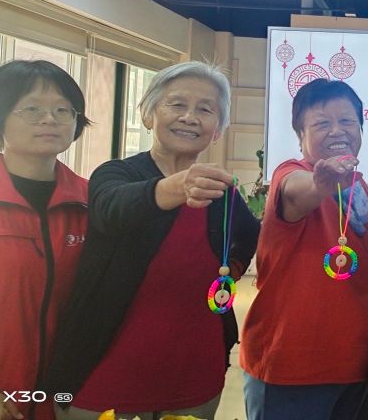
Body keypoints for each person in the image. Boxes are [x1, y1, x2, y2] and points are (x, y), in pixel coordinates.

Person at [46, 61, 260, 420]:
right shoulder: (116, 174)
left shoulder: (219, 192)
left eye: (205, 109)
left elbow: (249, 233)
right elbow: (111, 209)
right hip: (105, 372)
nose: (190, 117)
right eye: (177, 104)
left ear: (217, 131)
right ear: (148, 115)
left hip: (195, 371)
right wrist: (174, 187)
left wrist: (230, 272)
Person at [240, 79, 368, 419]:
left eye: (347, 121)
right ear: (300, 136)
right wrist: (320, 184)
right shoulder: (292, 173)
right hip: (292, 368)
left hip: (355, 366)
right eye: (322, 123)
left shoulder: (359, 188)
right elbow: (297, 193)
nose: (337, 130)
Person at [0, 60, 90, 420]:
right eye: (32, 109)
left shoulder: (90, 203)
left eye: (63, 110)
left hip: (62, 398)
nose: (49, 119)